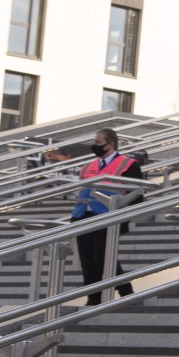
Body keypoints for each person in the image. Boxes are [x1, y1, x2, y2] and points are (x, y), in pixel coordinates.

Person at [68, 129, 142, 305]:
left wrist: (123, 216)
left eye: (98, 142)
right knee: (87, 259)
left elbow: (137, 193)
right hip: (84, 216)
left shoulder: (128, 164)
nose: (95, 146)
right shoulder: (88, 166)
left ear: (111, 144)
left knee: (101, 256)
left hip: (109, 216)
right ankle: (94, 298)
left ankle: (126, 291)